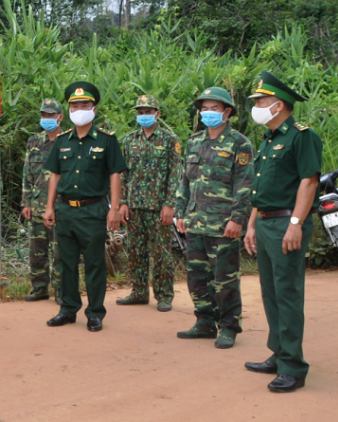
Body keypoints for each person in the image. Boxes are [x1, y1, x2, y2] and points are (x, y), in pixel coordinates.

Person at [243, 71, 321, 393]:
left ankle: (294, 367)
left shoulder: (301, 136)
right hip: (264, 222)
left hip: (286, 224)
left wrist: (295, 224)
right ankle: (278, 353)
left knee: (287, 293)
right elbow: (262, 187)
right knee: (270, 292)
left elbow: (309, 181)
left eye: (260, 100)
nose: (256, 106)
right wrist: (250, 224)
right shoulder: (268, 139)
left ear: (278, 105)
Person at [42, 82, 127, 332]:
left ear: (94, 108)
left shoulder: (106, 141)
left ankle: (95, 313)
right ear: (68, 110)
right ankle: (68, 310)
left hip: (93, 210)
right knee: (66, 262)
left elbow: (114, 175)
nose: (80, 109)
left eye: (85, 105)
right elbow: (55, 176)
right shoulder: (62, 142)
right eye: (75, 106)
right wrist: (49, 207)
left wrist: (114, 209)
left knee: (94, 263)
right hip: (66, 210)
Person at [175, 87, 254, 349]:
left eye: (214, 108)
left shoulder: (239, 143)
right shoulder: (194, 142)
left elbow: (244, 184)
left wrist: (238, 218)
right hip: (196, 222)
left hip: (223, 225)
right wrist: (180, 211)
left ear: (227, 112)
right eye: (204, 108)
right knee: (197, 277)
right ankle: (204, 322)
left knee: (225, 279)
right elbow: (185, 181)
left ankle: (229, 326)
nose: (208, 113)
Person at [117, 95, 182, 312]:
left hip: (158, 207)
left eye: (148, 111)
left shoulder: (169, 140)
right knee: (135, 251)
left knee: (161, 252)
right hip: (134, 206)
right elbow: (123, 174)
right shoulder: (129, 140)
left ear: (157, 113)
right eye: (140, 111)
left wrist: (170, 204)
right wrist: (122, 202)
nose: (144, 115)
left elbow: (175, 174)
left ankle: (164, 295)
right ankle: (139, 292)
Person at [21, 99, 63, 304]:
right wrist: (26, 201)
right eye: (44, 115)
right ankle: (39, 288)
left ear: (60, 117)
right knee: (36, 251)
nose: (46, 119)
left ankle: (61, 291)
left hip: (59, 207)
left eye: (50, 115)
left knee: (59, 252)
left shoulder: (67, 141)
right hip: (37, 205)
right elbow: (27, 172)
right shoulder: (34, 142)